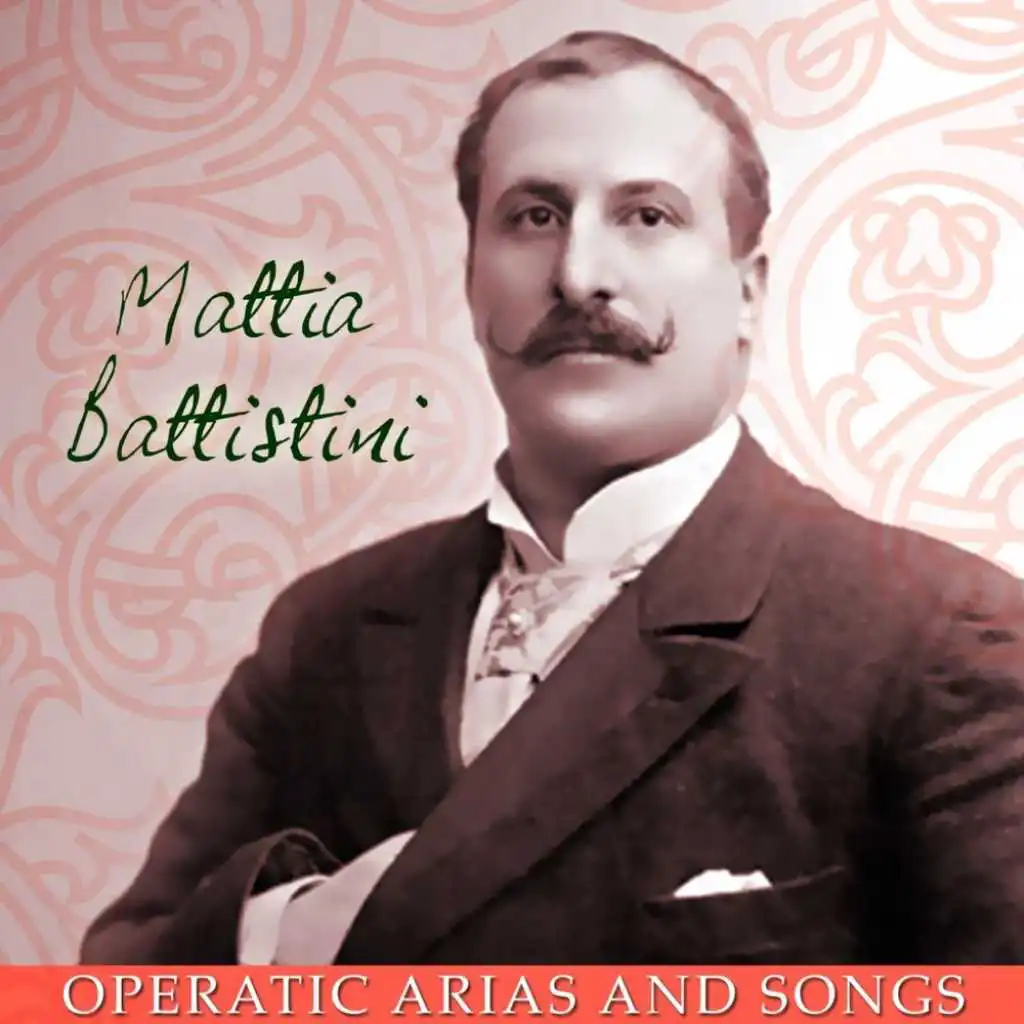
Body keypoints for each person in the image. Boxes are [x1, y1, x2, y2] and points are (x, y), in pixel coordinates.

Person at [80, 29, 1024, 966]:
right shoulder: (326, 629)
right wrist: (288, 934)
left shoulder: (940, 636)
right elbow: (121, 981)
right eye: (534, 217)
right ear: (471, 281)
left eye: (647, 216)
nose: (579, 276)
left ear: (748, 294)